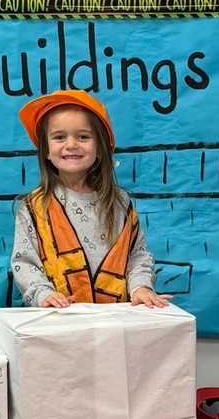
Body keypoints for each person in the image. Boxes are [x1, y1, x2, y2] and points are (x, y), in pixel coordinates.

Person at [12, 90, 171, 309]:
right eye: (59, 137)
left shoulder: (120, 204)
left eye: (83, 136)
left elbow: (137, 254)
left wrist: (140, 287)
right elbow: (25, 262)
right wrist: (42, 294)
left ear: (100, 148)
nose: (71, 144)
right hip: (59, 320)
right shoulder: (33, 208)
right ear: (46, 150)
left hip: (115, 321)